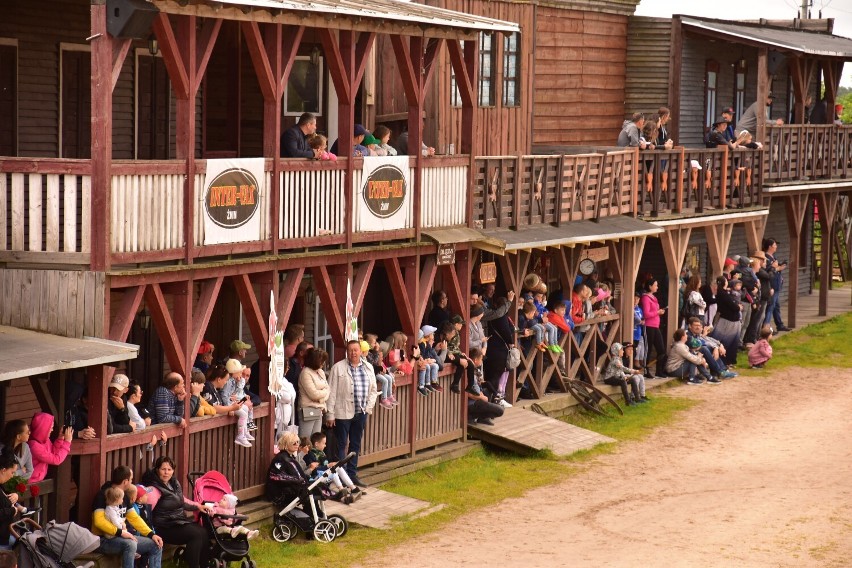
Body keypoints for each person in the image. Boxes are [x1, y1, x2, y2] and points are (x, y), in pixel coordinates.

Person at [141, 456, 213, 568]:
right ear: (157, 470)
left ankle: (204, 565)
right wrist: (150, 533)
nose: (166, 473)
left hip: (177, 522)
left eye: (169, 470)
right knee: (195, 535)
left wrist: (198, 506)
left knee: (203, 531)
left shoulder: (174, 483)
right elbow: (146, 513)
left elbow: (182, 501)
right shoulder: (154, 489)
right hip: (163, 527)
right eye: (163, 469)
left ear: (173, 471)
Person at [325, 340, 377, 486]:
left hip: (361, 412)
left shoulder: (368, 367)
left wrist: (368, 407)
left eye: (356, 350)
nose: (353, 353)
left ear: (361, 351)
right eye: (350, 350)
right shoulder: (338, 368)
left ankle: (353, 475)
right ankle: (343, 476)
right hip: (342, 412)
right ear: (347, 352)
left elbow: (373, 390)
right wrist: (330, 414)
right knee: (341, 445)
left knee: (355, 444)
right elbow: (331, 392)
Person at [92, 465, 163, 568]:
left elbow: (134, 518)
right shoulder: (103, 495)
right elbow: (99, 521)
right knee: (130, 544)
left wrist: (151, 534)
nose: (132, 482)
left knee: (156, 545)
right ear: (125, 481)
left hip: (122, 537)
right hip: (103, 540)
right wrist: (120, 532)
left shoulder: (124, 496)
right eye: (131, 479)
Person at [303, 431, 362, 504]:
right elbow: (314, 470)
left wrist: (332, 464)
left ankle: (353, 488)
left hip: (323, 474)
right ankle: (342, 490)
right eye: (324, 443)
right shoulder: (310, 455)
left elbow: (325, 464)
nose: (325, 445)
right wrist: (328, 466)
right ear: (316, 444)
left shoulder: (321, 453)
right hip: (316, 477)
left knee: (339, 467)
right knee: (333, 472)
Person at [265, 432, 310, 507]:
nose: (297, 444)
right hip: (279, 495)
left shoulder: (290, 457)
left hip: (288, 489)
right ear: (286, 444)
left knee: (311, 491)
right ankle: (315, 516)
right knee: (307, 493)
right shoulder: (280, 459)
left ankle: (316, 515)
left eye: (297, 442)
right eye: (293, 443)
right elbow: (276, 476)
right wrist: (296, 479)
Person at [28, 412, 72, 483]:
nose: (52, 430)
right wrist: (67, 442)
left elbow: (53, 452)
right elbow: (56, 460)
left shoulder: (45, 440)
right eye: (50, 428)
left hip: (37, 481)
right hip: (30, 483)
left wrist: (60, 438)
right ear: (43, 428)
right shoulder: (34, 446)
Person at [464, 348, 504, 426]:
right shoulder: (468, 371)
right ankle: (471, 417)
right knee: (500, 410)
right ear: (475, 360)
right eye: (481, 359)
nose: (482, 361)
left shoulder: (475, 370)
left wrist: (481, 394)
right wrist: (481, 397)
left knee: (487, 387)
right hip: (471, 404)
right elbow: (466, 393)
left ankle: (483, 418)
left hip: (477, 398)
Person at [298, 348, 330, 438]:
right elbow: (313, 394)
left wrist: (321, 397)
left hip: (319, 409)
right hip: (308, 409)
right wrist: (324, 394)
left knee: (316, 439)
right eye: (321, 360)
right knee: (306, 439)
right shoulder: (305, 373)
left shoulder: (321, 372)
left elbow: (328, 388)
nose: (323, 363)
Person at [222, 359, 255, 448]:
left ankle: (245, 431)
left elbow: (238, 391)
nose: (241, 374)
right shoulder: (228, 382)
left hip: (233, 403)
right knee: (243, 414)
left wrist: (240, 381)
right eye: (240, 372)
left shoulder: (234, 381)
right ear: (234, 372)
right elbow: (224, 396)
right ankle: (240, 436)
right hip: (229, 404)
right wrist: (229, 408)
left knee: (246, 409)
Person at [762, 238, 793, 332]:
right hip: (772, 286)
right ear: (770, 246)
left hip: (776, 284)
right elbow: (768, 272)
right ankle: (765, 328)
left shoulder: (773, 257)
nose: (776, 247)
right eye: (775, 245)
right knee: (771, 306)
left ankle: (779, 324)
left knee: (776, 306)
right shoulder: (766, 259)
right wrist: (777, 268)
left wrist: (780, 267)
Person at [640, 279, 667, 378]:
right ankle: (645, 370)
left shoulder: (654, 298)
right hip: (648, 326)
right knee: (648, 349)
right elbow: (646, 314)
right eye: (655, 285)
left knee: (661, 349)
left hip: (656, 325)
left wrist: (659, 312)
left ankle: (659, 371)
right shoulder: (645, 298)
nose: (657, 287)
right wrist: (657, 312)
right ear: (650, 286)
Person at [0, 452, 23, 548]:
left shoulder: (2, 484)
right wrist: (12, 510)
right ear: (3, 470)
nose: (12, 476)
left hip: (5, 534)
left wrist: (15, 496)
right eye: (12, 472)